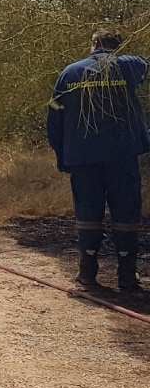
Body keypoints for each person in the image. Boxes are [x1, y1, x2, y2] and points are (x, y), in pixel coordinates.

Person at [47, 30, 149, 294]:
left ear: (92, 45)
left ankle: (87, 275)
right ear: (117, 47)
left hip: (83, 157)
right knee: (126, 214)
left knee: (88, 213)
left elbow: (55, 117)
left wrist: (62, 154)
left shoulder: (69, 73)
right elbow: (143, 64)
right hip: (122, 156)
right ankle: (127, 277)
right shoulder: (127, 66)